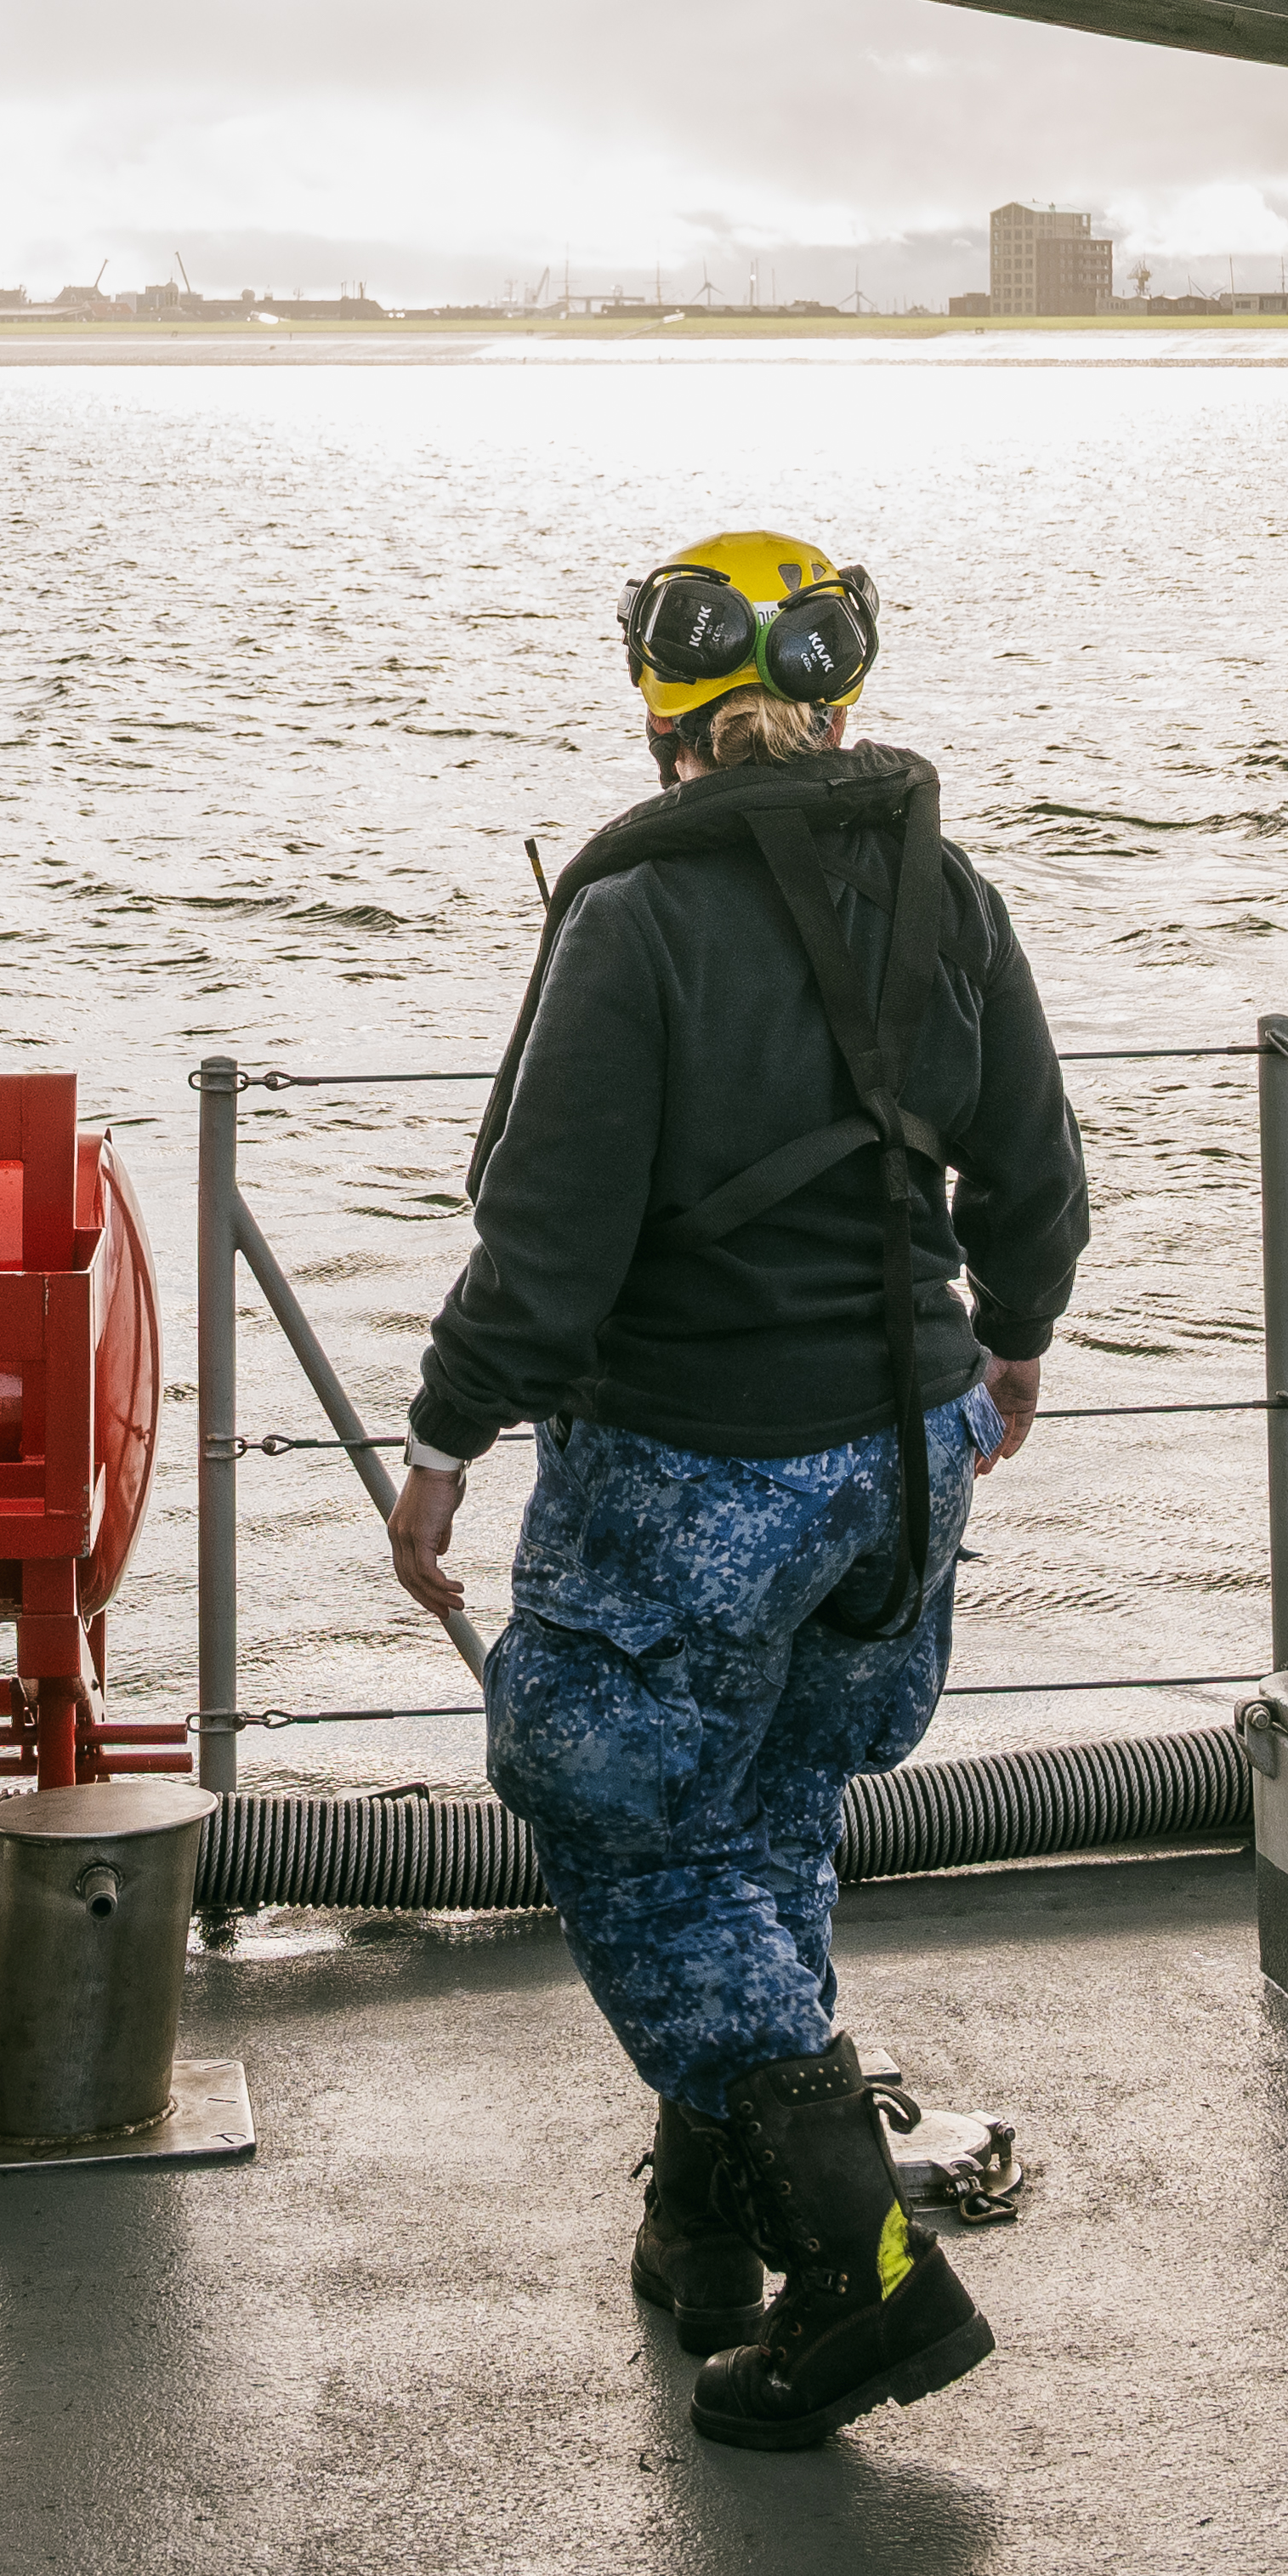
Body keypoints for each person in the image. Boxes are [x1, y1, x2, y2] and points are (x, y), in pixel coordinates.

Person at [385, 529, 1086, 2450]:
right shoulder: (948, 889)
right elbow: (1033, 1164)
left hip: (699, 1463)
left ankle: (868, 2280)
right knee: (769, 1811)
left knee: (630, 1833)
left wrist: (443, 1441)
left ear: (661, 714)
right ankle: (707, 2225)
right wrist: (1014, 1339)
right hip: (911, 1455)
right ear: (845, 701)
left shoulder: (634, 918)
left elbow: (547, 1243)